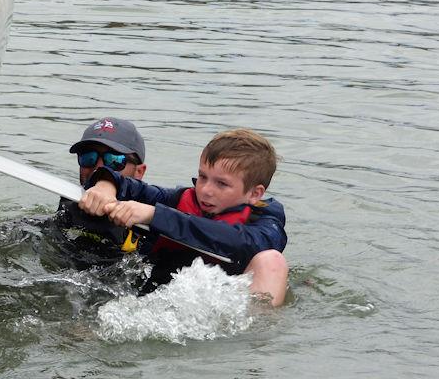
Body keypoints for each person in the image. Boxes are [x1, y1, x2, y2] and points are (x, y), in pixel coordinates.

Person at [78, 128, 289, 306]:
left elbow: (243, 242)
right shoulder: (179, 199)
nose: (205, 190)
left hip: (221, 309)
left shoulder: (267, 222)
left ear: (255, 194)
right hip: (151, 300)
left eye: (221, 184)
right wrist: (105, 185)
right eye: (203, 177)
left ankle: (253, 345)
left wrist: (155, 215)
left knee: (273, 262)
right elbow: (133, 187)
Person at [55, 117, 147, 258]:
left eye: (114, 160)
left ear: (139, 172)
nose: (98, 168)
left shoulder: (150, 229)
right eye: (89, 158)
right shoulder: (64, 214)